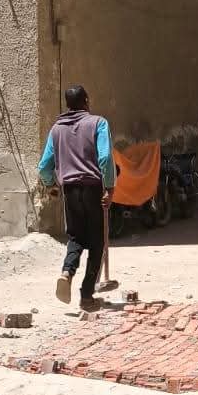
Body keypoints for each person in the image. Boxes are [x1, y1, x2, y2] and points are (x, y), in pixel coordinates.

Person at [37, 84, 115, 310]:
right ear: (86, 101)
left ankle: (66, 272)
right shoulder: (98, 123)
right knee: (97, 242)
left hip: (70, 190)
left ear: (67, 104)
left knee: (76, 237)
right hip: (92, 187)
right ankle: (87, 295)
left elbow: (44, 166)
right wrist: (110, 187)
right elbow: (105, 158)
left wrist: (51, 185)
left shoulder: (56, 130)